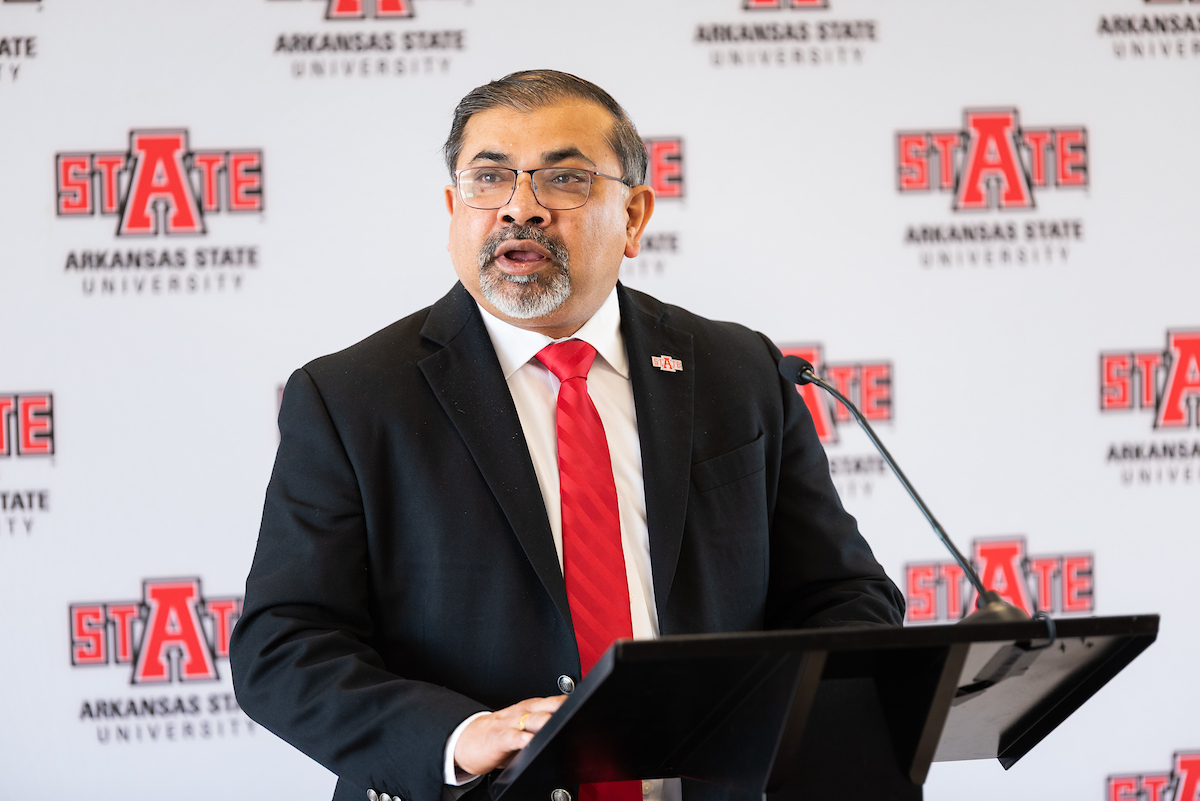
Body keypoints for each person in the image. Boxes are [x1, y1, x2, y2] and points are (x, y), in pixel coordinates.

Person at [230, 69, 903, 801]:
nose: (521, 208)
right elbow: (283, 644)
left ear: (636, 215)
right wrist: (459, 735)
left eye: (564, 179)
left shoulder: (741, 370)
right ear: (455, 208)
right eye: (490, 178)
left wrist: (804, 710)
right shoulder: (353, 396)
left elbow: (842, 593)